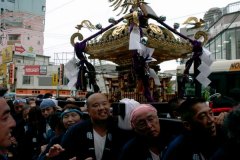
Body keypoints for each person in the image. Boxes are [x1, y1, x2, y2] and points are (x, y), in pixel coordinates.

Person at [56, 93, 136, 160]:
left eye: (104, 104)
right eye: (95, 105)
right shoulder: (76, 130)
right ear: (88, 110)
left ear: (109, 106)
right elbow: (64, 155)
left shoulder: (120, 128)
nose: (101, 108)